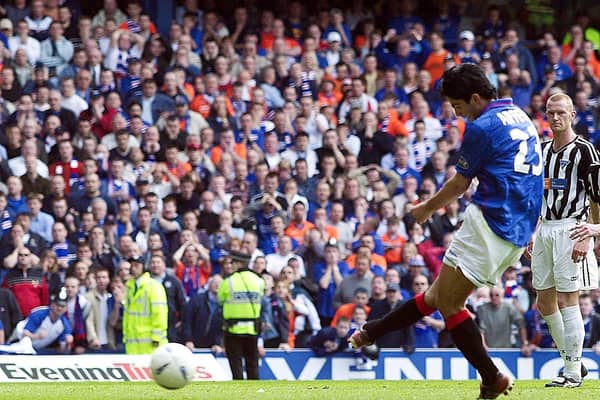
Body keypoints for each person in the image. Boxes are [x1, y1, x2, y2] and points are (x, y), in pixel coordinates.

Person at [349, 63, 543, 399]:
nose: (459, 115)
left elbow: (459, 184)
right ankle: (371, 331)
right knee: (438, 297)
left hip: (491, 222)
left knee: (450, 304)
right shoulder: (519, 114)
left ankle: (491, 377)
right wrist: (531, 226)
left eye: (458, 106)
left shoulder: (482, 127)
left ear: (475, 97)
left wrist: (425, 208)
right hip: (517, 226)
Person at [527, 93, 599, 388]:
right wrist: (535, 229)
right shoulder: (543, 150)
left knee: (569, 300)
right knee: (544, 301)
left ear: (572, 114)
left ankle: (571, 373)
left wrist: (592, 232)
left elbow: (597, 198)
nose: (554, 118)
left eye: (560, 113)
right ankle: (575, 363)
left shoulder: (585, 151)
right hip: (546, 228)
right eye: (550, 113)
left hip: (573, 228)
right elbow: (539, 195)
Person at [218, 250, 264, 380]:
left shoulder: (229, 281)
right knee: (252, 364)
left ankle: (239, 394)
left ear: (238, 263)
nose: (230, 265)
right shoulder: (259, 280)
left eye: (232, 262)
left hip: (233, 330)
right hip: (252, 329)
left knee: (236, 364)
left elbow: (220, 299)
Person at [122, 255, 168, 354]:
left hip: (150, 343)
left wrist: (157, 336)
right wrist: (126, 335)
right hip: (133, 342)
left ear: (144, 267)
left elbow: (160, 313)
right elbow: (127, 315)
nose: (133, 268)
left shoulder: (153, 286)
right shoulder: (130, 287)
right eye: (131, 265)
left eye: (136, 265)